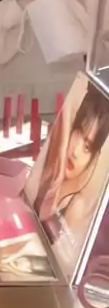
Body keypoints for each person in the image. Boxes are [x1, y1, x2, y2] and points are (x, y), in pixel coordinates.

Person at [33, 81, 109, 245]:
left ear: (93, 159)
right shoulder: (48, 173)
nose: (75, 152)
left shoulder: (76, 207)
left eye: (87, 147)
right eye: (78, 133)